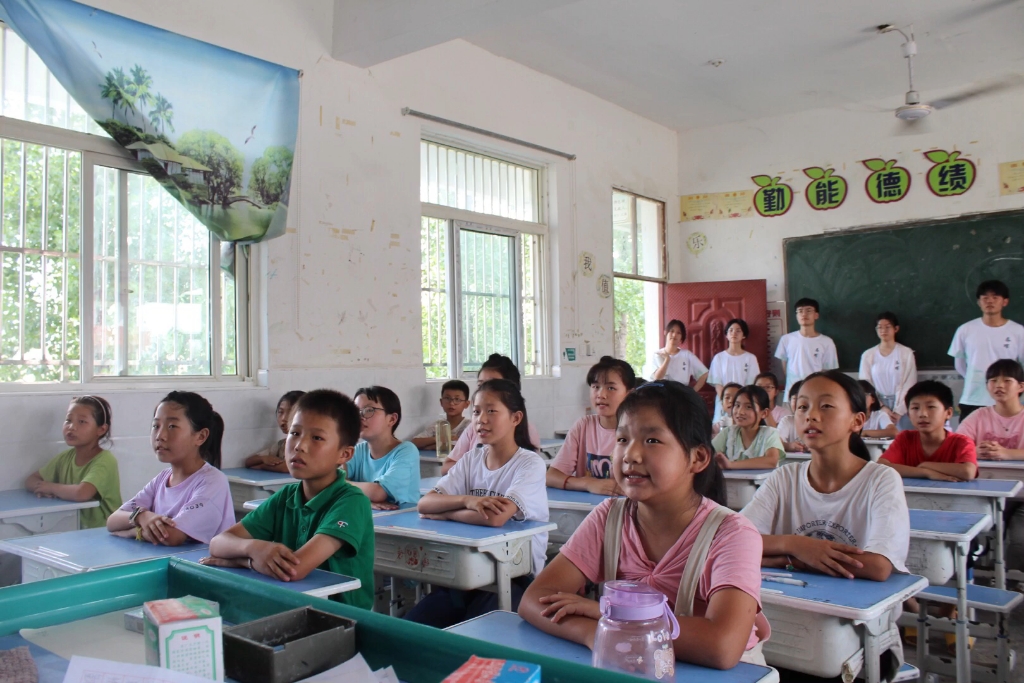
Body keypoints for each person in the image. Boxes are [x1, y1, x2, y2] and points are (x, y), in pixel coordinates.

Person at [519, 381, 770, 669]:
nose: (630, 455)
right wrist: (600, 635)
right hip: (631, 666)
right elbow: (534, 600)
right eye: (623, 439)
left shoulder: (732, 534)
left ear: (697, 457)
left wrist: (608, 617)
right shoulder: (609, 517)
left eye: (652, 441)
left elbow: (721, 646)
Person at [204, 390, 374, 609]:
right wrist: (255, 549)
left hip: (343, 619)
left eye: (317, 438)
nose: (299, 445)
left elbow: (294, 569)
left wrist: (242, 559)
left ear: (344, 454)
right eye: (295, 433)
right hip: (293, 605)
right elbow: (218, 543)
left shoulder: (351, 501)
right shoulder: (286, 496)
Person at [741, 371, 910, 581]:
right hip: (792, 601)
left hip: (856, 606)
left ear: (857, 421)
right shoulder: (785, 478)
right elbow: (738, 540)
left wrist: (788, 559)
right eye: (803, 407)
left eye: (826, 406)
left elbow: (877, 566)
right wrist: (794, 545)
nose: (810, 415)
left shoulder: (881, 480)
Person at [407, 379, 548, 626]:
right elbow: (425, 504)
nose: (481, 420)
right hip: (467, 573)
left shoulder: (529, 463)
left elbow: (495, 518)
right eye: (476, 412)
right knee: (412, 628)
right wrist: (467, 501)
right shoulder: (472, 458)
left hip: (514, 577)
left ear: (515, 418)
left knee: (470, 639)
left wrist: (447, 513)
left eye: (491, 411)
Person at [107, 392, 233, 546]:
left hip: (200, 567)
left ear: (200, 436)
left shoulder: (213, 482)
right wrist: (141, 516)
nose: (160, 435)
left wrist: (132, 531)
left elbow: (170, 536)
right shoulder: (162, 479)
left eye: (172, 426)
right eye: (156, 426)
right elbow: (113, 520)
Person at [24, 396, 121, 529]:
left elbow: (82, 493)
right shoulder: (65, 457)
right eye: (68, 420)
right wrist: (42, 488)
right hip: (73, 529)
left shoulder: (105, 460)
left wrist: (51, 487)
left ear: (101, 429)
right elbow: (31, 480)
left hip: (103, 533)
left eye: (81, 421)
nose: (71, 427)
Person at [547, 356, 634, 494]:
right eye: (596, 387)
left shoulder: (637, 431)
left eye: (611, 388)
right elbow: (552, 476)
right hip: (587, 508)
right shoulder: (583, 426)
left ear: (629, 394)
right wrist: (588, 483)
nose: (601, 394)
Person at [443, 354, 541, 474]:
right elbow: (447, 467)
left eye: (493, 385)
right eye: (480, 385)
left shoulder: (527, 432)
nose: (484, 391)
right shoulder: (474, 429)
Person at [949, 280, 1024, 421]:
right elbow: (960, 365)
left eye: (995, 297)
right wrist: (979, 380)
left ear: (1005, 302)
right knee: (969, 442)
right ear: (979, 302)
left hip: (1009, 400)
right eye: (985, 298)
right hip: (973, 398)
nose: (989, 301)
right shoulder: (965, 330)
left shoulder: (1018, 332)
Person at [879, 381, 978, 482]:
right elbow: (881, 466)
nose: (922, 414)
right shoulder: (905, 438)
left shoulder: (962, 442)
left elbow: (968, 472)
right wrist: (926, 472)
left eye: (931, 407)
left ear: (948, 413)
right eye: (915, 408)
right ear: (908, 414)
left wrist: (926, 465)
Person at [348, 386, 420, 509]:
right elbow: (328, 483)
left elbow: (378, 493)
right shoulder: (358, 450)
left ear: (391, 419)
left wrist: (342, 485)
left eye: (368, 410)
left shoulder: (406, 451)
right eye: (356, 411)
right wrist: (366, 501)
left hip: (402, 522)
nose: (360, 417)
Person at [957, 360, 1024, 460]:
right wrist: (974, 451)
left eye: (1007, 381)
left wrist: (1007, 453)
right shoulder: (978, 416)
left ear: (1021, 387)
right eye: (993, 380)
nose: (999, 385)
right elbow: (955, 447)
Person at [774, 298, 839, 401]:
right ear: (796, 316)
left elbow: (827, 371)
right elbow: (784, 365)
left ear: (816, 315)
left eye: (809, 310)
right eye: (800, 311)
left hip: (816, 394)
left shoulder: (827, 342)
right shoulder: (786, 339)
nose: (804, 314)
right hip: (792, 395)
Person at [859, 313, 917, 423]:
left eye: (887, 327)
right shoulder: (868, 355)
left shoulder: (906, 353)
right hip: (877, 404)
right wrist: (881, 407)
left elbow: (910, 383)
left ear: (896, 329)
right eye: (879, 327)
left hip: (902, 404)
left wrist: (899, 411)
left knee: (901, 437)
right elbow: (865, 385)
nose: (883, 330)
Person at [712, 386, 785, 470]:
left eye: (748, 407)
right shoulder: (728, 433)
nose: (740, 412)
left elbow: (771, 461)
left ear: (764, 413)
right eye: (737, 405)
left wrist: (731, 465)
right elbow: (708, 453)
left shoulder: (770, 433)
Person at [707, 319, 760, 421]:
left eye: (738, 330)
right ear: (726, 335)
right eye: (730, 330)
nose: (734, 333)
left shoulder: (750, 358)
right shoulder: (719, 358)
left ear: (744, 335)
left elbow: (751, 385)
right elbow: (718, 384)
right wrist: (726, 401)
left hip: (743, 404)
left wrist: (739, 403)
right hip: (723, 404)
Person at [245, 391, 305, 473]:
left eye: (290, 412)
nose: (283, 418)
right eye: (280, 412)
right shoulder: (281, 444)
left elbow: (288, 467)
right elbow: (249, 462)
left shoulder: (305, 445)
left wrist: (262, 466)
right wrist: (264, 458)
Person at [646, 319, 708, 390]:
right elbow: (657, 378)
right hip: (661, 397)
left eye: (678, 333)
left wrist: (692, 393)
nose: (674, 335)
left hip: (681, 397)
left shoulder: (687, 355)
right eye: (672, 331)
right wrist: (667, 360)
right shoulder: (657, 354)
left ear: (681, 338)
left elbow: (704, 374)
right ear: (665, 332)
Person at [410, 380, 471, 450]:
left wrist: (431, 446)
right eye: (447, 398)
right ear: (441, 402)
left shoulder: (469, 425)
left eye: (457, 399)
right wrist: (439, 439)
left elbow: (463, 447)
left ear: (466, 404)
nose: (451, 403)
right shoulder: (438, 425)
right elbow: (414, 442)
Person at [776, 381, 805, 452]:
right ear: (789, 401)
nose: (799, 403)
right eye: (795, 399)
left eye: (803, 399)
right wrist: (788, 446)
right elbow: (775, 443)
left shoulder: (818, 421)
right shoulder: (787, 420)